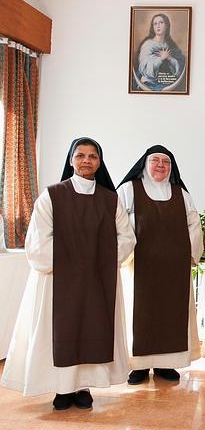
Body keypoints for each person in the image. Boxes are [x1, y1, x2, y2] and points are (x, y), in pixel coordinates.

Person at [0, 137, 136, 410]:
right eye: (81, 155)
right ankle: (62, 389)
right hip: (57, 281)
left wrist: (99, 260)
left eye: (93, 156)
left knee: (93, 329)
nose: (86, 160)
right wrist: (74, 260)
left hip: (99, 281)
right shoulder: (52, 195)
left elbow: (127, 238)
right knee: (60, 332)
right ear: (71, 160)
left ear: (100, 162)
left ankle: (83, 387)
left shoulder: (111, 200)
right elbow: (38, 241)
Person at [117, 145, 203, 385]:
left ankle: (166, 364)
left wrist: (192, 255)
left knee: (171, 314)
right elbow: (118, 224)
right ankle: (139, 366)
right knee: (140, 315)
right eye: (155, 161)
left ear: (171, 168)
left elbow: (193, 225)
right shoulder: (128, 190)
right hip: (138, 267)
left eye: (166, 162)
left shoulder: (180, 194)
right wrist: (122, 255)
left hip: (174, 268)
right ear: (145, 164)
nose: (161, 166)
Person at [134, 13, 186, 91]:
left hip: (166, 83)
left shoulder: (170, 46)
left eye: (161, 23)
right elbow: (143, 66)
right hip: (149, 84)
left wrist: (170, 59)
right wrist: (161, 59)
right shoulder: (148, 45)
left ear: (167, 25)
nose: (158, 26)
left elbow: (179, 69)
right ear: (153, 27)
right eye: (155, 24)